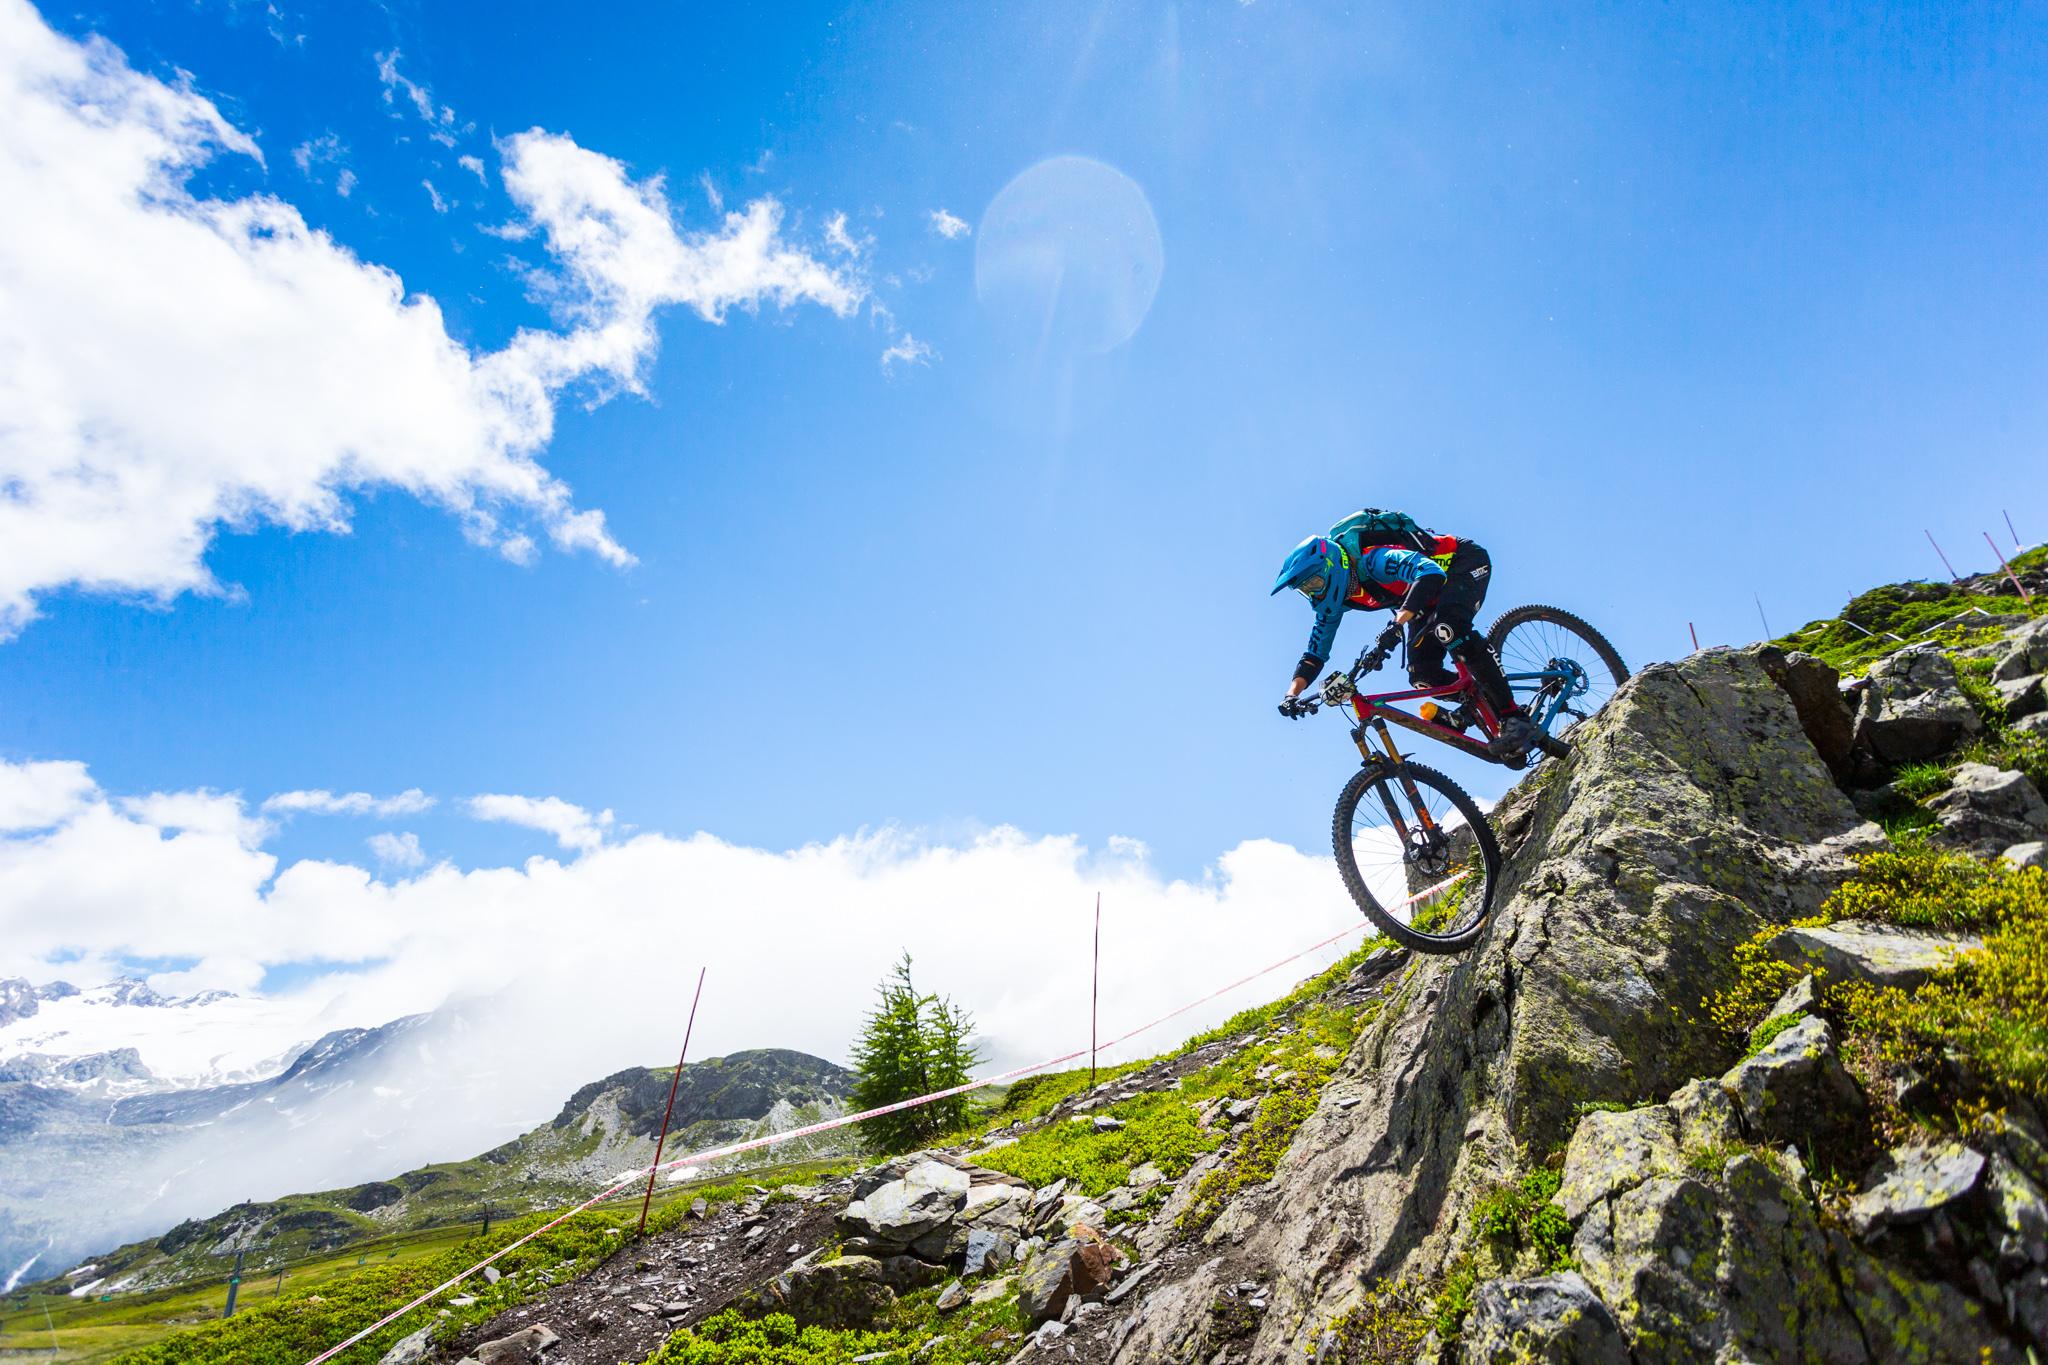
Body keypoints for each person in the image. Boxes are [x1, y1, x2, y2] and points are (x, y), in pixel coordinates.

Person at [1270, 509, 1536, 760]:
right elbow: (1315, 652)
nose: (1314, 593)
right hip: (1424, 600)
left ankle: (1515, 717)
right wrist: (1291, 695)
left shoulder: (1375, 560)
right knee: (1422, 676)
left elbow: (1430, 573)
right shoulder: (1335, 603)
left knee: (1449, 628)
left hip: (1461, 564)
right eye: (1306, 589)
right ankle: (1480, 701)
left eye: (1313, 583)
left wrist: (1397, 624)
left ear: (1331, 566)